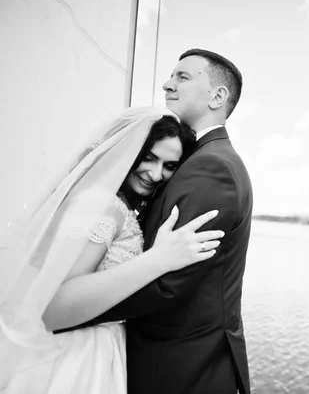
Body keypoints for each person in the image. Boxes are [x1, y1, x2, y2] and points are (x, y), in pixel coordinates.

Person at [0, 108, 224, 393]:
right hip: (75, 359)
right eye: (149, 157)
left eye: (169, 166)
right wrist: (158, 259)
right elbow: (53, 309)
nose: (155, 174)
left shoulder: (108, 202)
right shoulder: (104, 207)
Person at [69, 48, 253, 394]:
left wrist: (71, 308)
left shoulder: (211, 167)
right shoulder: (200, 159)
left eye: (182, 76)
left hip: (179, 366)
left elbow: (170, 285)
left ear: (218, 95)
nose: (167, 84)